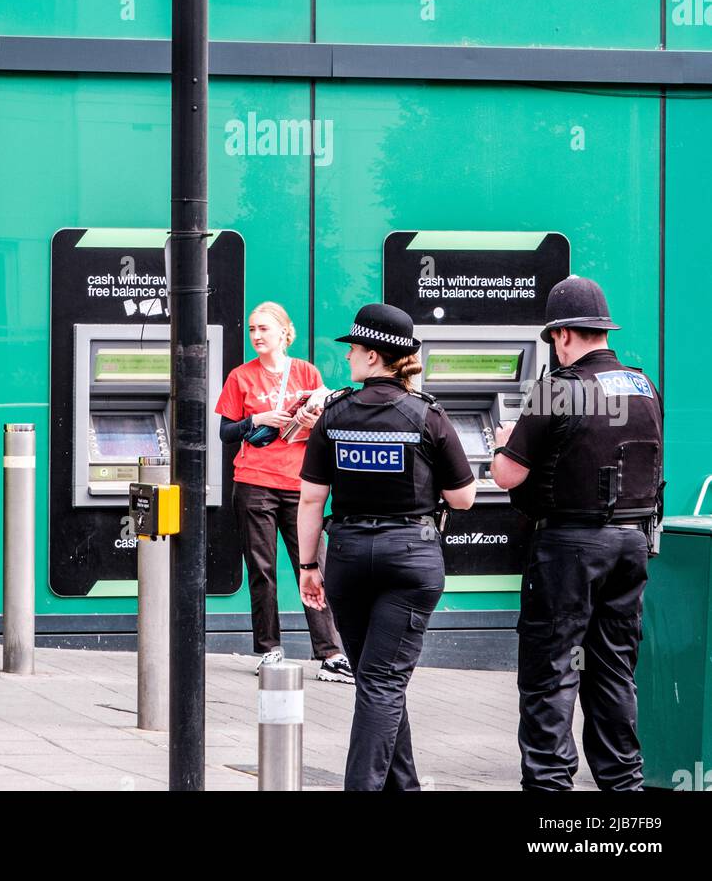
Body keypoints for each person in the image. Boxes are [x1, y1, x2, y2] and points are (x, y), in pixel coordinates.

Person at [491, 274, 664, 792]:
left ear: (562, 335)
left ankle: (549, 792)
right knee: (612, 670)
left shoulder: (555, 392)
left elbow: (507, 476)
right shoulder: (643, 385)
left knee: (552, 669)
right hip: (631, 543)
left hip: (569, 548)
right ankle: (624, 788)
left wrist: (504, 443)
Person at [297, 303, 476, 791]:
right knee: (382, 682)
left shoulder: (334, 415)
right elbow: (462, 499)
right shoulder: (427, 415)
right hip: (411, 558)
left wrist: (308, 565)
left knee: (377, 679)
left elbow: (312, 497)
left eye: (353, 349)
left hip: (349, 558)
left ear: (373, 356)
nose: (349, 357)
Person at [215, 300, 353, 681]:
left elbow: (326, 420)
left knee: (314, 568)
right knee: (262, 570)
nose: (257, 336)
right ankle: (269, 649)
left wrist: (312, 413)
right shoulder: (240, 377)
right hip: (254, 482)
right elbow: (225, 433)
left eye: (263, 329)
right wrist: (256, 419)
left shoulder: (306, 372)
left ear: (283, 332)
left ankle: (330, 652)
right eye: (252, 330)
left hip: (301, 485)